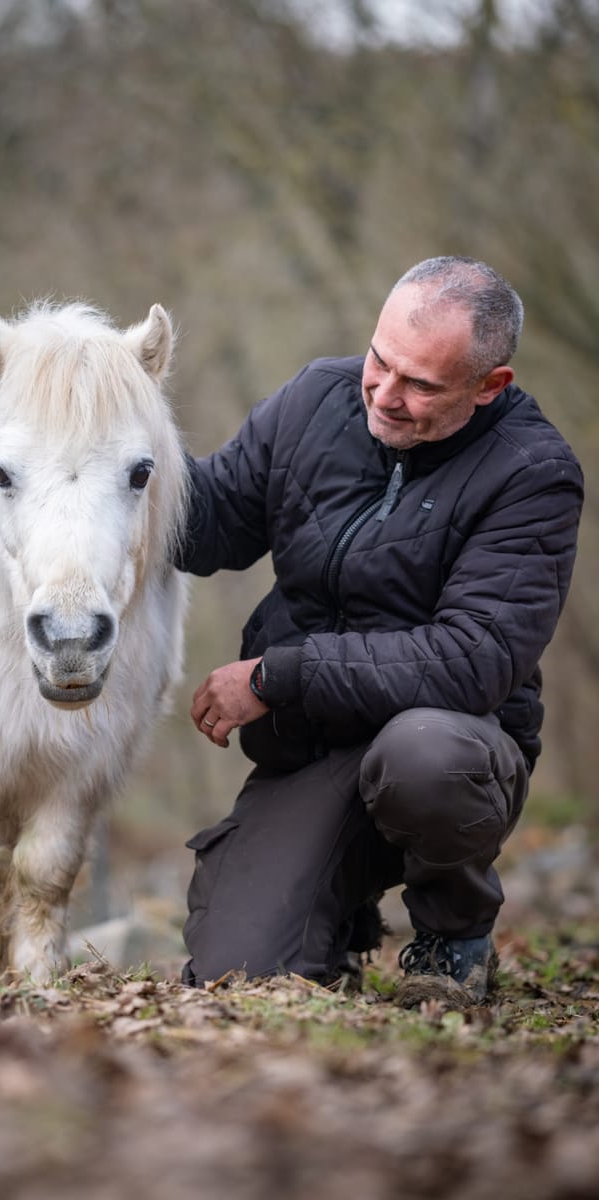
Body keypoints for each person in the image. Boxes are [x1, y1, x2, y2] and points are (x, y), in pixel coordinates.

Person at [177, 256, 583, 1008]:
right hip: (312, 753)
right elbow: (208, 525)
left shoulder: (534, 474)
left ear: (489, 385)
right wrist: (124, 444)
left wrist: (276, 676)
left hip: (449, 749)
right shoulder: (315, 398)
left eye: (420, 384)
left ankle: (452, 936)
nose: (384, 395)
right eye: (379, 360)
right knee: (239, 973)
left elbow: (469, 663)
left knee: (422, 755)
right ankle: (340, 917)